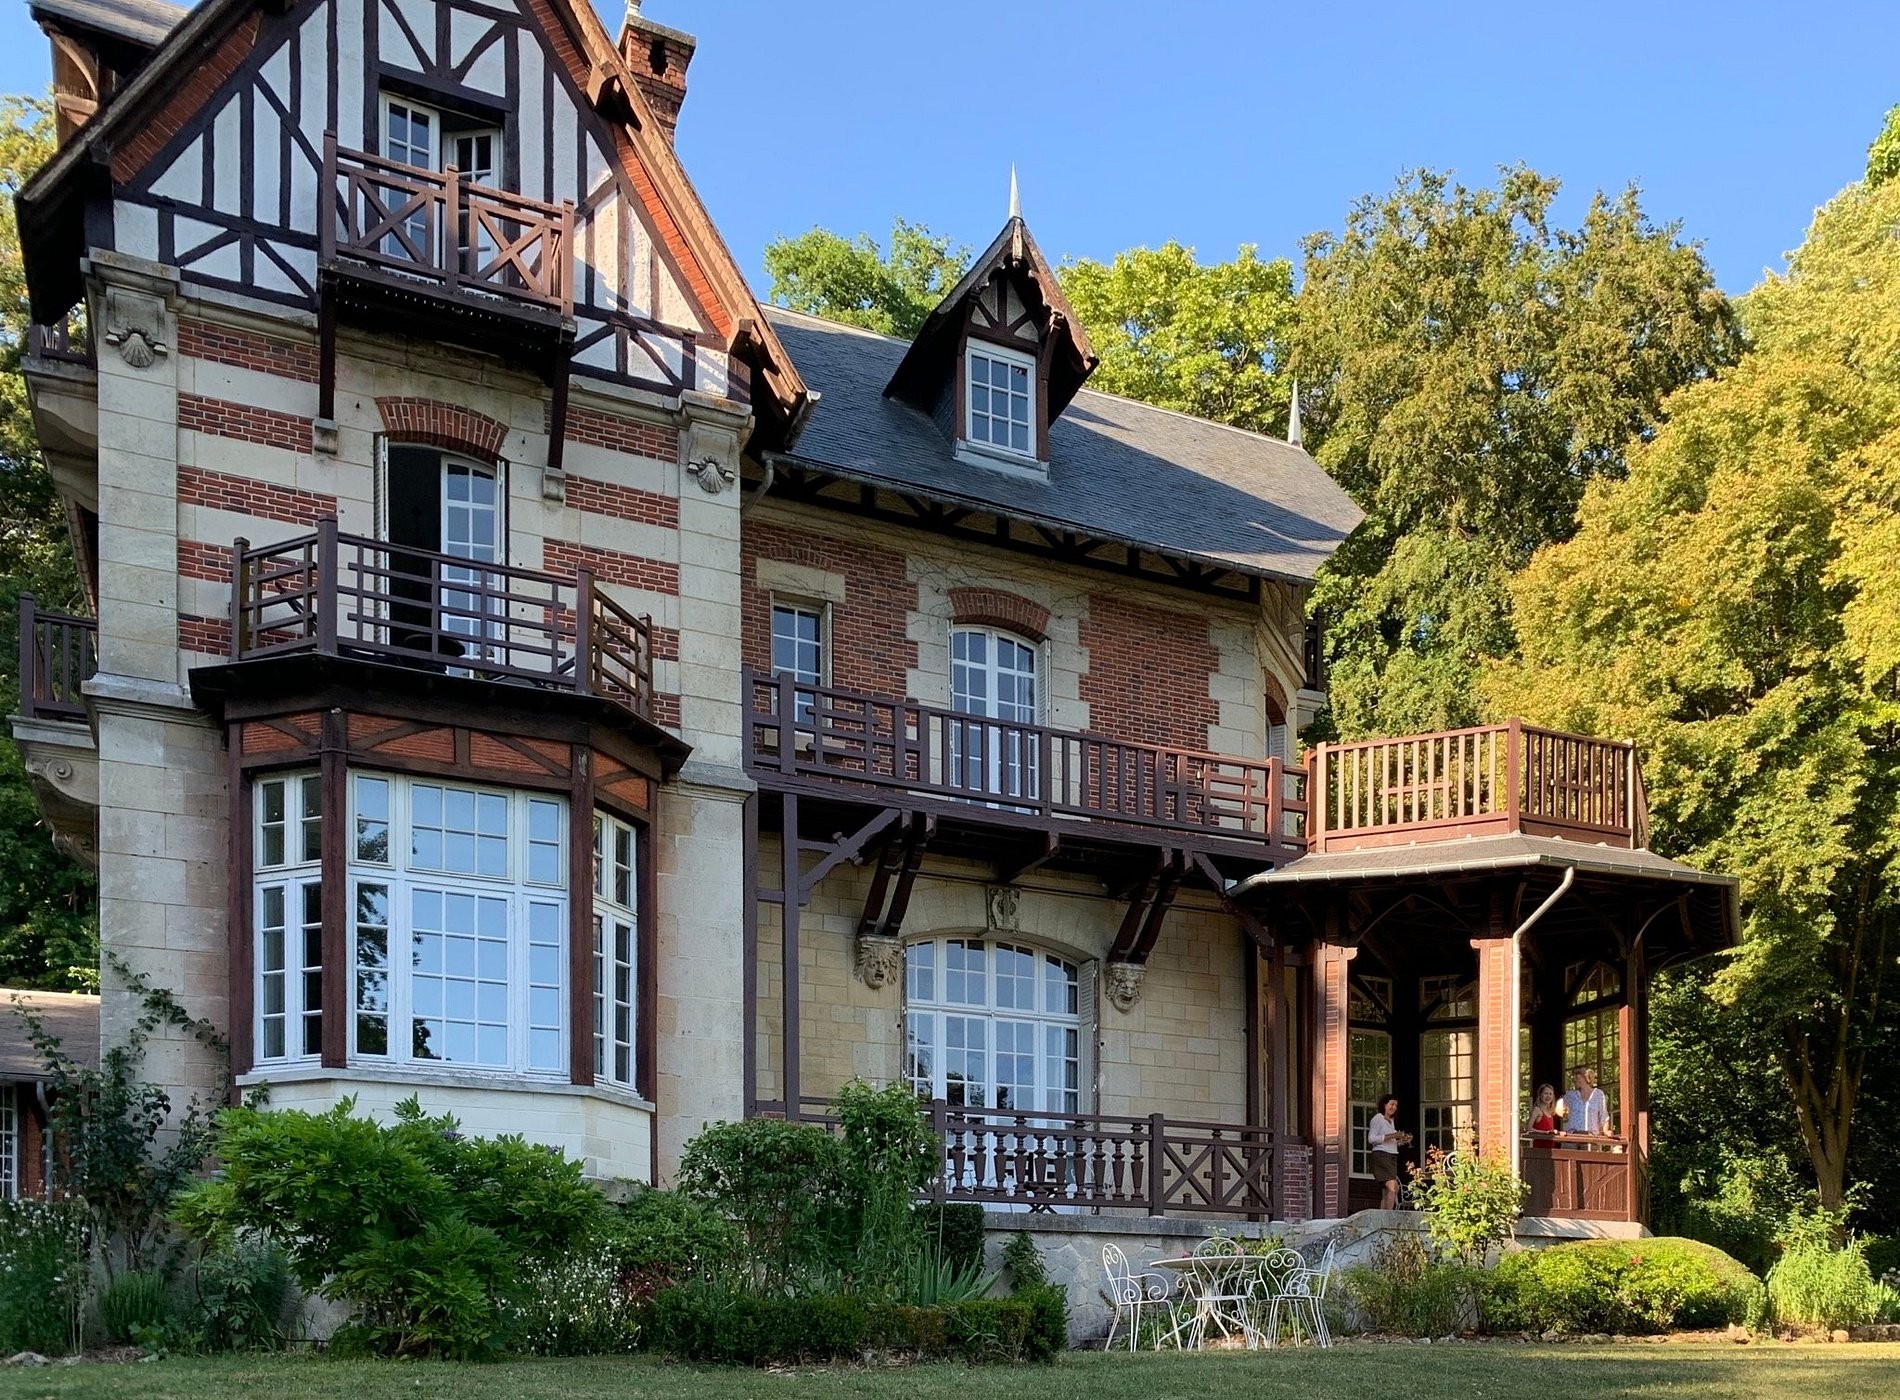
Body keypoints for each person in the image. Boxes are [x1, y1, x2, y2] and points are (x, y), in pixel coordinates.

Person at [1367, 1093, 1412, 1209]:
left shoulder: (1391, 1121)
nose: (1394, 1107)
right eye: (1391, 1104)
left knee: (1386, 1190)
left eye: (1396, 1105)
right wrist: (1393, 1135)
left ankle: (1383, 1215)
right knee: (1393, 1187)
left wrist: (1402, 1141)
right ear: (1384, 1105)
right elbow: (1371, 1139)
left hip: (1391, 1156)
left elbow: (1391, 1143)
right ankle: (1389, 1215)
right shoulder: (1377, 1119)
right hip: (1381, 1155)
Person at [1562, 1068, 1609, 1138]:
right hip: (1572, 1135)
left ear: (1586, 1077)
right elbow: (1557, 1108)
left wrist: (1606, 1131)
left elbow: (1604, 1116)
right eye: (1574, 1077)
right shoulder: (1570, 1095)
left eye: (1577, 1077)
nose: (1574, 1079)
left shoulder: (1598, 1094)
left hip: (1591, 1137)